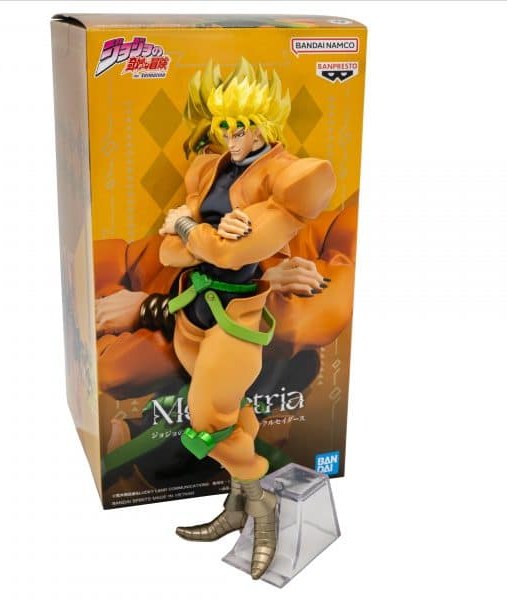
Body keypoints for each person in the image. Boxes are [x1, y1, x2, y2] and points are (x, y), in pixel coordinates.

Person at [157, 58, 336, 579]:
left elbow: (234, 254)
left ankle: (262, 504)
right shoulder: (210, 167)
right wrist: (202, 236)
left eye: (242, 127)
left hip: (236, 317)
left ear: (265, 124)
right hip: (191, 311)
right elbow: (169, 253)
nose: (232, 138)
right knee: (231, 414)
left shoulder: (288, 177)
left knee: (208, 421)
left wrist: (188, 227)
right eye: (224, 127)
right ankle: (236, 507)